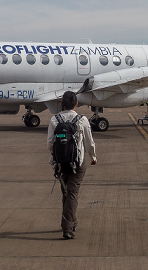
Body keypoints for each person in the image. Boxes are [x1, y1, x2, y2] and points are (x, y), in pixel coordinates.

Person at [47, 91, 97, 240]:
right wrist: (93, 156)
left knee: (66, 193)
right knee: (72, 194)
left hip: (61, 164)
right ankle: (67, 227)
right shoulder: (82, 120)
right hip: (77, 162)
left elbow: (50, 143)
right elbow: (89, 141)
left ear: (62, 103)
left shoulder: (54, 120)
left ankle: (71, 221)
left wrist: (58, 155)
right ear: (76, 103)